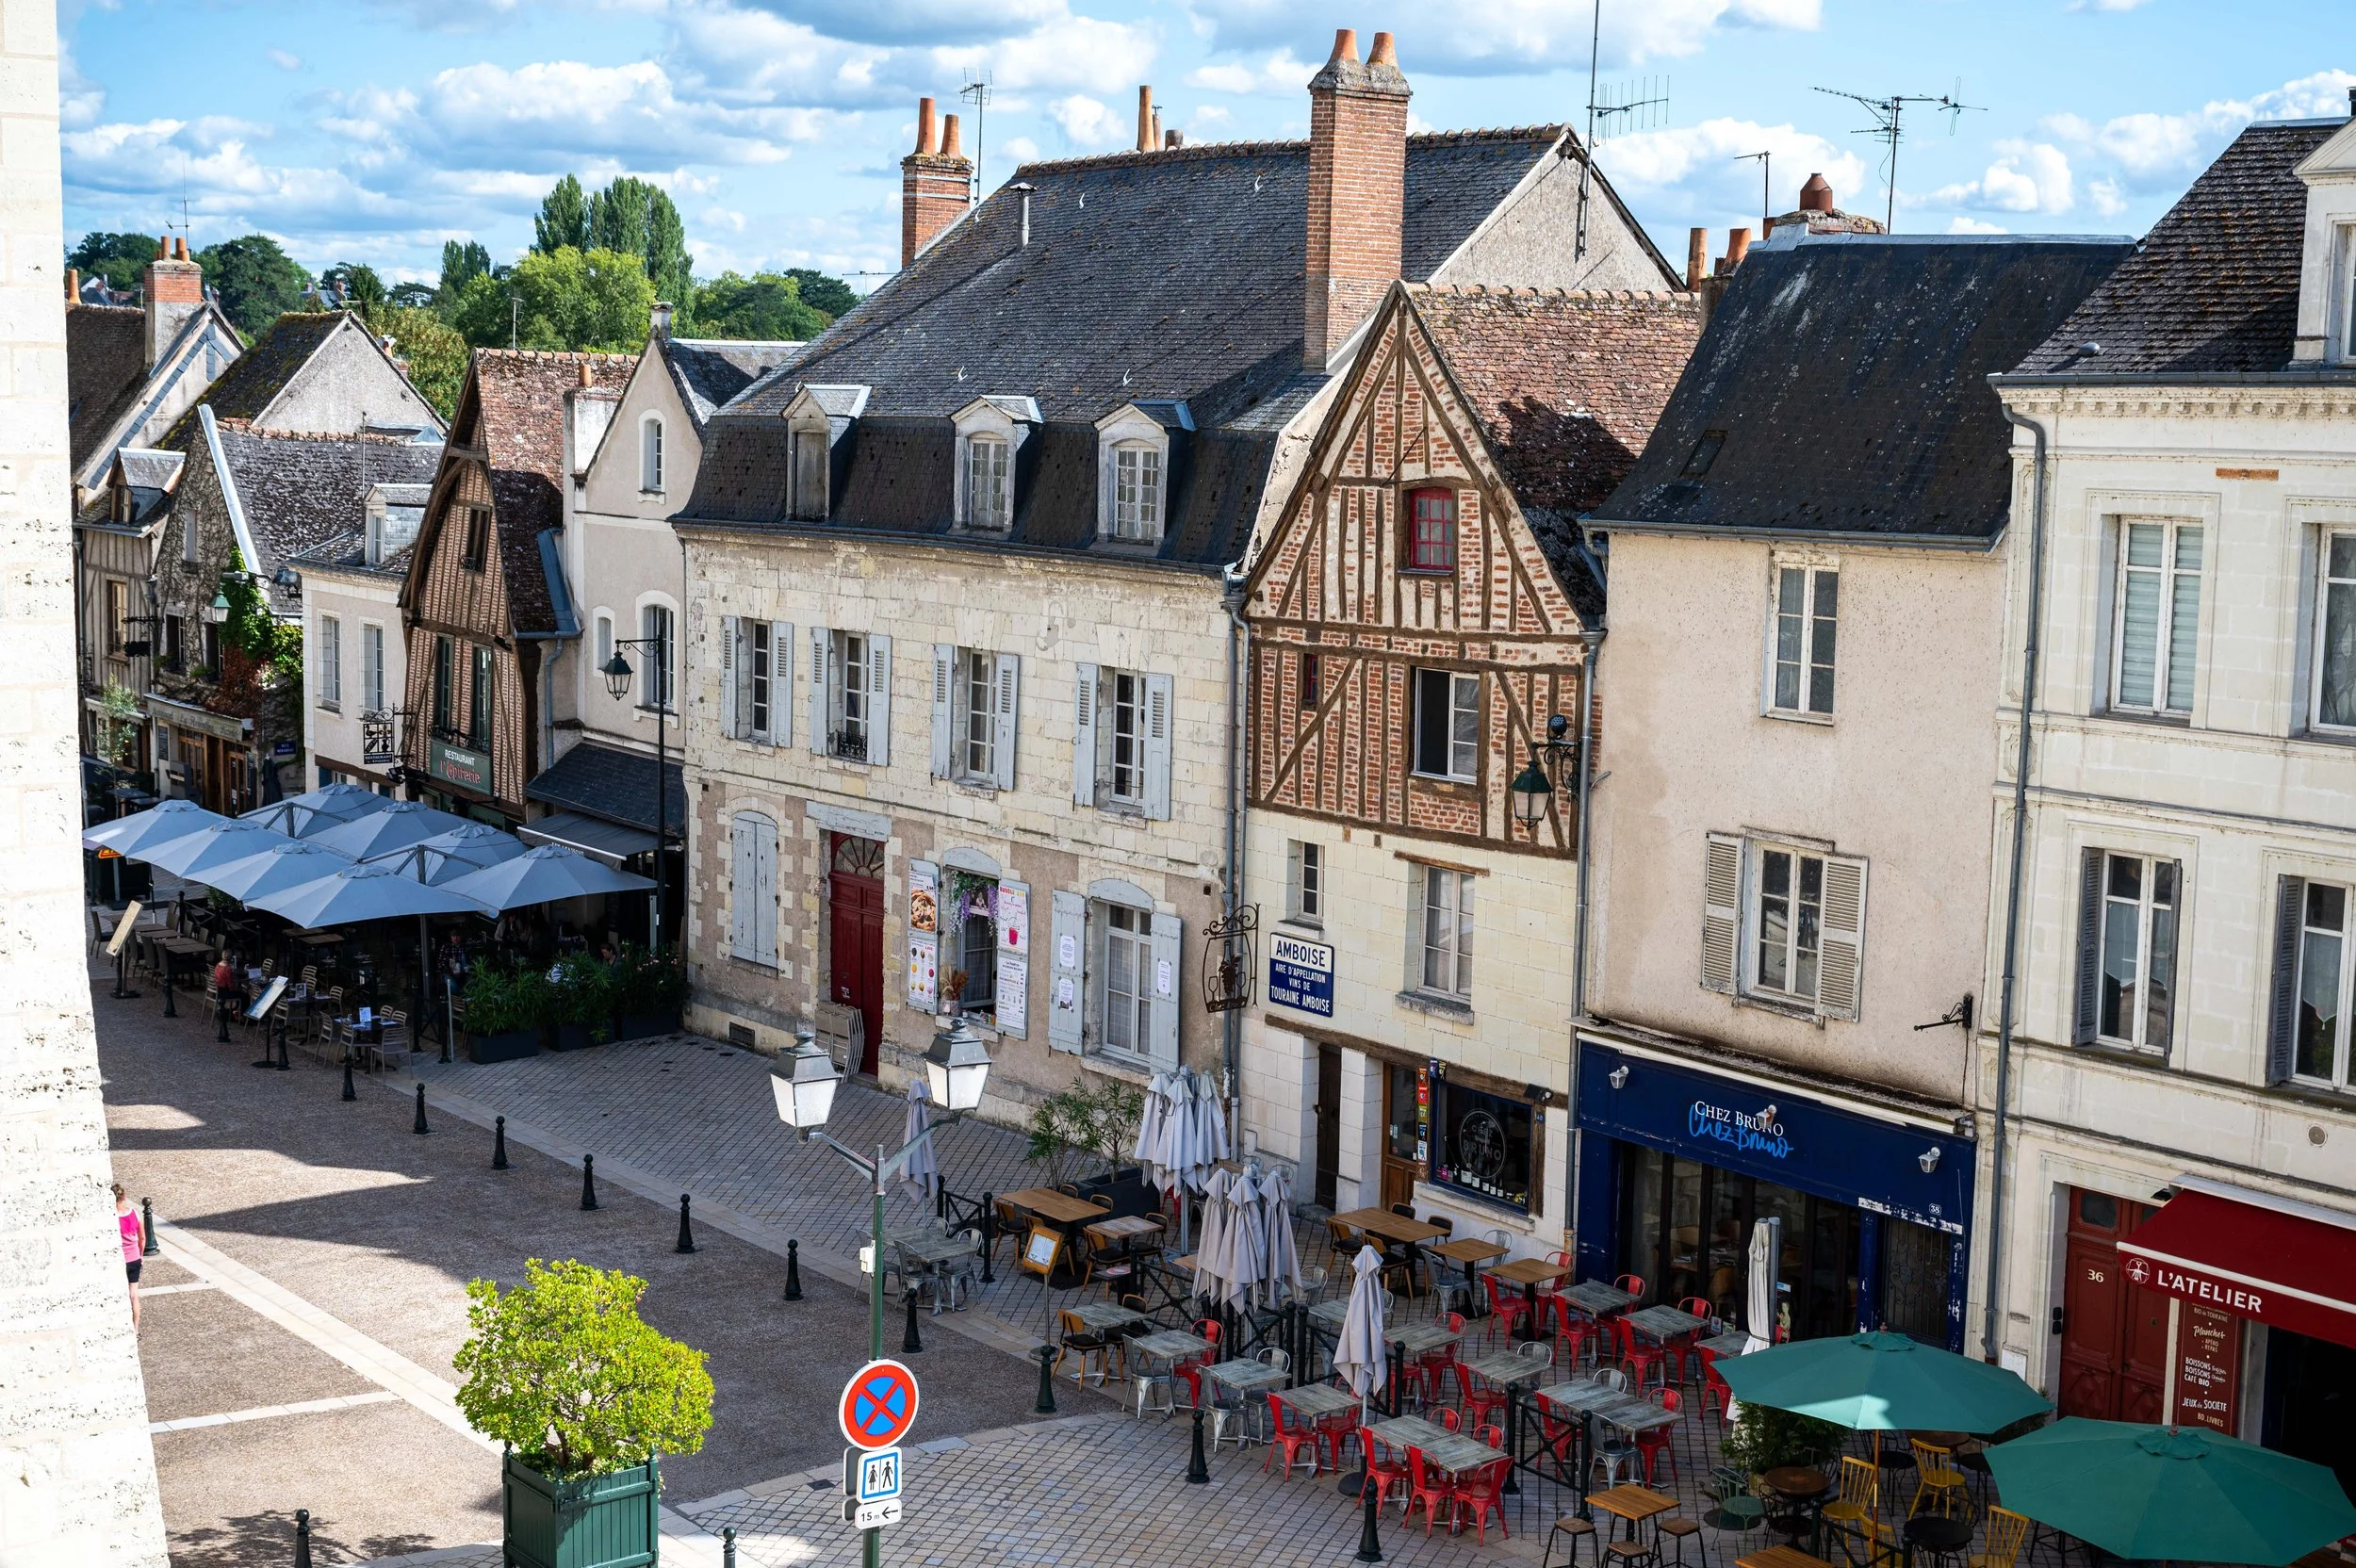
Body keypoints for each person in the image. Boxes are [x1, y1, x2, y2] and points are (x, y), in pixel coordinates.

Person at [113, 1184, 142, 1329]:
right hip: (135, 1259)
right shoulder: (134, 1213)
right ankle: (135, 1329)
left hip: (119, 1260)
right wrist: (140, 1255)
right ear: (123, 1197)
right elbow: (142, 1238)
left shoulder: (112, 1218)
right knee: (133, 1295)